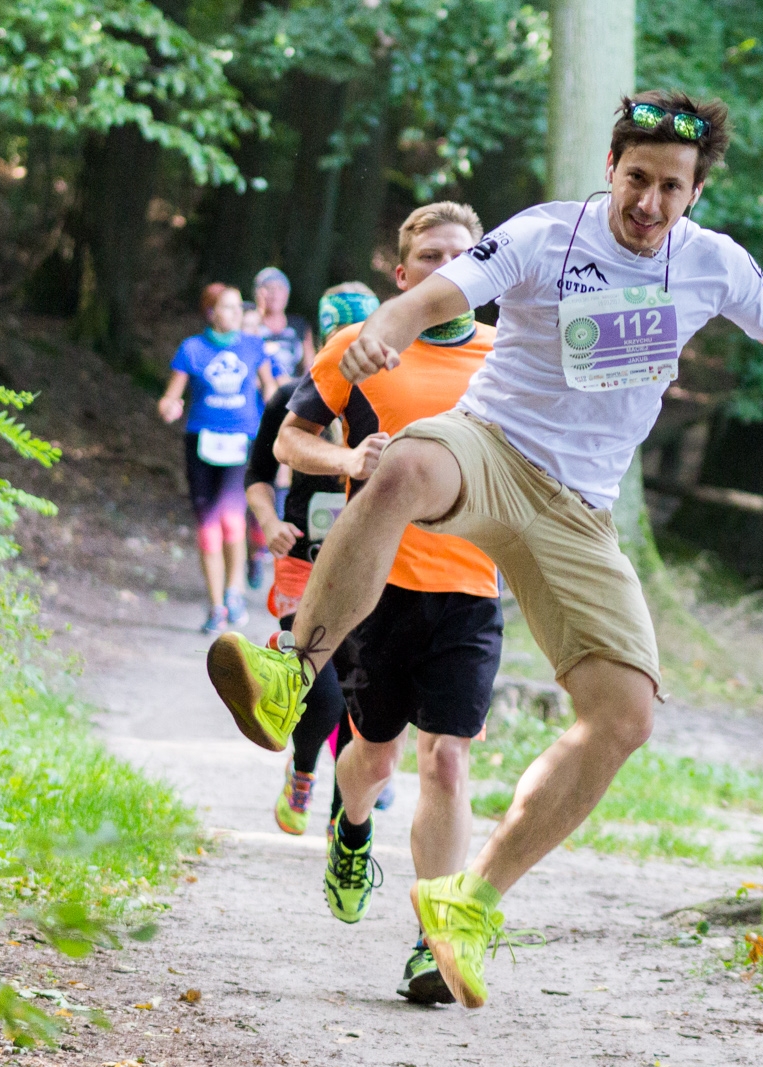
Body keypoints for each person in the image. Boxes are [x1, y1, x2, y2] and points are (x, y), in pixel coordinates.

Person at [205, 91, 763, 1009]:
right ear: (611, 169)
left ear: (695, 191)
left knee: (625, 713)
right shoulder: (546, 234)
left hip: (578, 510)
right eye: (636, 178)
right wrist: (391, 326)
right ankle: (290, 672)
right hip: (488, 446)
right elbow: (450, 290)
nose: (649, 202)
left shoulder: (713, 265)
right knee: (398, 469)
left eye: (670, 187)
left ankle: (472, 903)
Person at [271, 203, 503, 1006]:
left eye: (462, 256)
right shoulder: (362, 347)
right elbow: (288, 441)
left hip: (473, 590)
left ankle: (431, 942)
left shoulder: (509, 357)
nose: (447, 267)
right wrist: (346, 454)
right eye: (430, 257)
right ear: (401, 277)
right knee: (374, 757)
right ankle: (352, 828)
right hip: (379, 590)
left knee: (447, 757)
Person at [245, 283, 383, 840]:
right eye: (338, 338)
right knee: (319, 691)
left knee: (359, 694)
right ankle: (302, 771)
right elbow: (257, 476)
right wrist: (270, 523)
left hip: (365, 566)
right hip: (302, 563)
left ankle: (340, 813)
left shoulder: (384, 398)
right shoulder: (289, 399)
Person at [158, 283, 274, 634]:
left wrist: (278, 412)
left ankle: (235, 591)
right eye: (228, 307)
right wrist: (169, 408)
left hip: (242, 443)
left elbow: (270, 388)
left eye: (240, 307)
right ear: (211, 313)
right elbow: (169, 398)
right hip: (202, 444)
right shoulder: (192, 349)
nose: (237, 313)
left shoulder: (254, 346)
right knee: (208, 529)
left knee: (232, 519)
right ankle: (216, 607)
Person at [249, 267, 316, 384]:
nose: (275, 293)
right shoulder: (250, 324)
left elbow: (309, 365)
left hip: (292, 391)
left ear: (287, 294)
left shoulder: (298, 325)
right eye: (269, 288)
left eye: (280, 288)